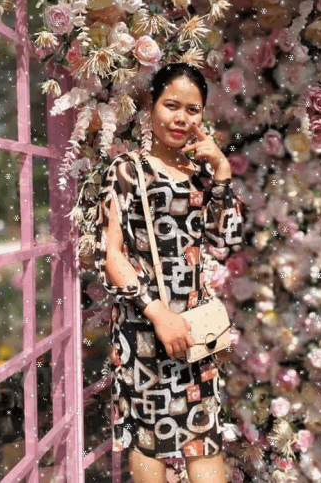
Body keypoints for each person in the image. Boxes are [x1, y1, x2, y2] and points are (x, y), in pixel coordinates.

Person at [94, 63, 243, 482]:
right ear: (151, 106)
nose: (181, 118)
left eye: (192, 110)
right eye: (171, 105)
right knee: (149, 444)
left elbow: (226, 241)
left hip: (193, 330)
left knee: (204, 439)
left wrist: (222, 172)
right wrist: (158, 313)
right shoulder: (126, 170)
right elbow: (110, 254)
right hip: (144, 331)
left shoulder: (201, 176)